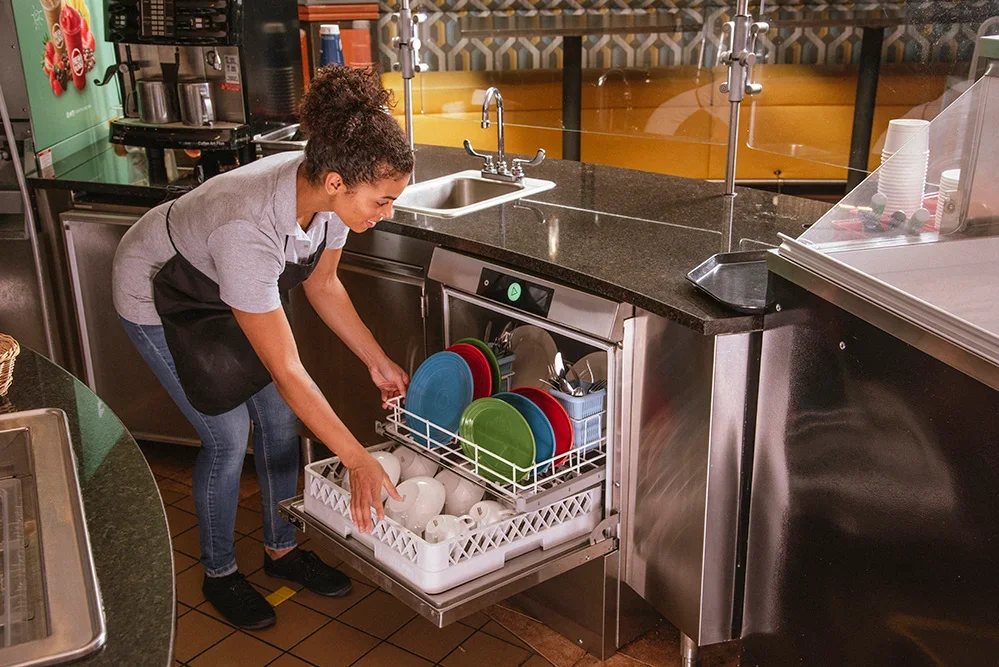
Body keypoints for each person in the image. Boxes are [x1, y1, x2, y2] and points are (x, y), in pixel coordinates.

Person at [112, 65, 413, 630]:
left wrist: (376, 359)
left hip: (226, 288)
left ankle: (282, 550)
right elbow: (288, 366)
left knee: (278, 420)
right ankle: (220, 572)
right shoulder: (249, 229)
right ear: (335, 184)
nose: (387, 213)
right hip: (160, 289)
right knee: (227, 438)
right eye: (383, 200)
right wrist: (357, 458)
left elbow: (323, 284)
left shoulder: (333, 197)